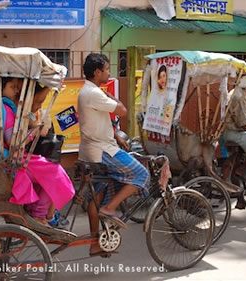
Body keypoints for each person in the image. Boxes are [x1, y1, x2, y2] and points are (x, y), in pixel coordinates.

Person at [78, 53, 150, 257]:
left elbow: (98, 120)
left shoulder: (88, 91)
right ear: (97, 72)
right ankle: (110, 208)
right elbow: (123, 111)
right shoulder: (95, 93)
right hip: (102, 150)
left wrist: (117, 136)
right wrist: (112, 97)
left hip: (91, 151)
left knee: (96, 197)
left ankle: (94, 243)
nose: (109, 73)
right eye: (107, 69)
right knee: (141, 174)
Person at [0, 80, 75, 226]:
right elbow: (14, 142)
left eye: (16, 88)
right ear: (0, 88)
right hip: (6, 159)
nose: (15, 91)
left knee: (46, 170)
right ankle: (40, 214)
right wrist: (34, 131)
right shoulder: (4, 108)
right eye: (12, 87)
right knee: (55, 170)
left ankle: (41, 212)